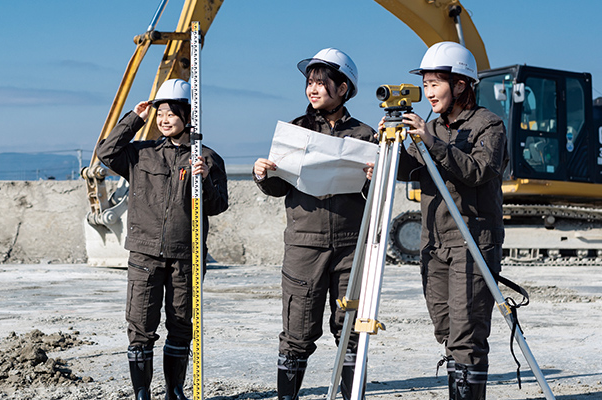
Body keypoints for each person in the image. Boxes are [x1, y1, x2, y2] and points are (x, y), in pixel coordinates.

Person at [253, 48, 376, 400]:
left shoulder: (365, 134)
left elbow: (376, 194)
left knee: (350, 329)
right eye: (309, 82)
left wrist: (373, 177)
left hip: (352, 245)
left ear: (343, 88)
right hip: (304, 244)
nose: (312, 89)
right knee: (297, 330)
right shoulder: (296, 130)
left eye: (321, 83)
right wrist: (263, 174)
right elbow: (278, 188)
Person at [387, 42, 508, 400]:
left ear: (460, 84)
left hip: (472, 238)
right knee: (446, 327)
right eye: (425, 85)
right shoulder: (431, 127)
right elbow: (407, 170)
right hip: (433, 241)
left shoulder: (489, 125)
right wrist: (390, 144)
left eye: (435, 83)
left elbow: (477, 171)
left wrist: (429, 141)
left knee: (467, 332)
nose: (428, 92)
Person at [96, 78, 229, 400]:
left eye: (170, 113)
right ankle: (142, 393)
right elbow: (105, 152)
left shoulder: (207, 158)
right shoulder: (141, 154)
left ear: (187, 115)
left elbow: (218, 206)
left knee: (182, 324)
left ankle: (175, 391)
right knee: (141, 326)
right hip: (144, 254)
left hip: (187, 255)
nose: (164, 120)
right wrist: (134, 118)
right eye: (160, 114)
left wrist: (204, 181)